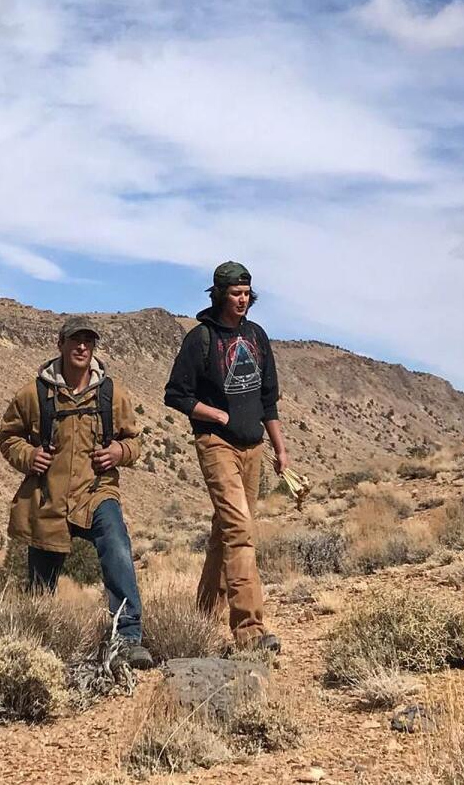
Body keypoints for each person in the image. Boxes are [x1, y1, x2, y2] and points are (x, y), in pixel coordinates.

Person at [0, 317, 153, 669]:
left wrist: (119, 453)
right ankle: (37, 644)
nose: (82, 347)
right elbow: (8, 438)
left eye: (88, 341)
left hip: (97, 493)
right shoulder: (34, 394)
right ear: (61, 344)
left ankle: (127, 637)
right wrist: (28, 456)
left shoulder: (112, 394)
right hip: (49, 497)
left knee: (117, 548)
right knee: (41, 580)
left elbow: (135, 442)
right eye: (75, 340)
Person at [164, 262, 288, 652]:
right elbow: (175, 394)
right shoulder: (200, 339)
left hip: (253, 446)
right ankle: (249, 629)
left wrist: (280, 448)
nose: (243, 299)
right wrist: (213, 413)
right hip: (216, 444)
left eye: (248, 293)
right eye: (236, 293)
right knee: (240, 530)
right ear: (219, 294)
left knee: (225, 531)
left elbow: (268, 399)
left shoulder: (256, 336)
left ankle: (201, 616)